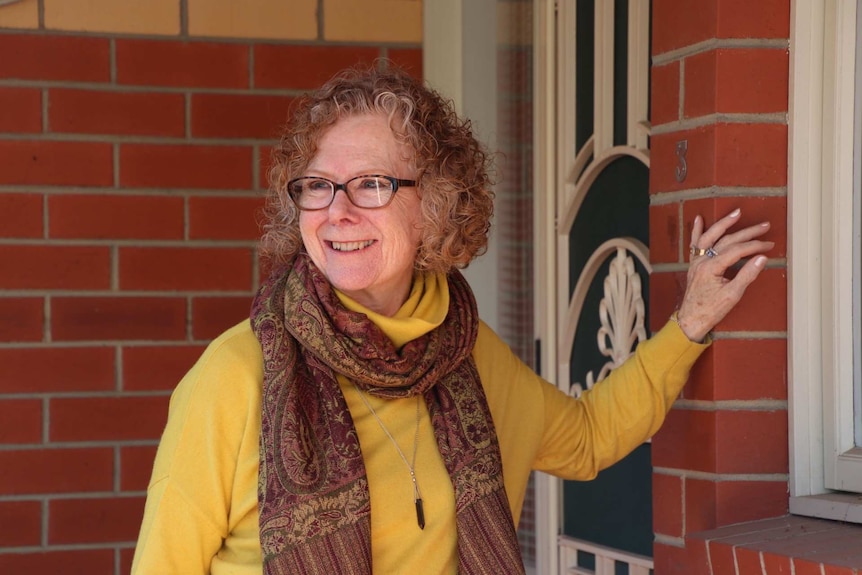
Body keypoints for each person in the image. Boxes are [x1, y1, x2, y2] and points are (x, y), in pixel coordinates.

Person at [131, 64, 773, 575]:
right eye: (318, 185)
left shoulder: (466, 357)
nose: (337, 211)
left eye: (373, 184)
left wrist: (692, 320)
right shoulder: (236, 375)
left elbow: (588, 437)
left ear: (435, 207)